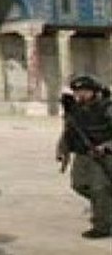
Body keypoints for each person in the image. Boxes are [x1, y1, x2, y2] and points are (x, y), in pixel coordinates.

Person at [57, 74, 112, 239]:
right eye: (77, 91)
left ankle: (103, 226)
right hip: (82, 155)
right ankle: (106, 205)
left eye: (85, 91)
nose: (81, 94)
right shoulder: (74, 109)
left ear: (94, 91)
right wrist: (62, 150)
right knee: (79, 185)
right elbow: (68, 132)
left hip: (103, 156)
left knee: (99, 188)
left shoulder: (106, 107)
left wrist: (106, 146)